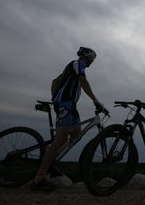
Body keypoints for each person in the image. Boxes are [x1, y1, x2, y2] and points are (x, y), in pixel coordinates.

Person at [31, 47, 106, 191]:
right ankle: (39, 177)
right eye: (93, 59)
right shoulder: (77, 64)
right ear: (87, 57)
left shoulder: (74, 67)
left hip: (71, 106)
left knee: (76, 134)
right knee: (60, 139)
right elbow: (83, 82)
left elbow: (61, 82)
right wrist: (95, 100)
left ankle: (50, 160)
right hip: (64, 105)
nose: (93, 62)